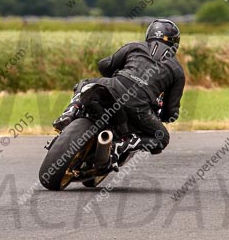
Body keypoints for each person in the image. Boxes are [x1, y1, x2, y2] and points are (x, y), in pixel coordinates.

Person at [52, 19, 185, 159]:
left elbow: (105, 65)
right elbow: (171, 112)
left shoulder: (135, 46)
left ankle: (69, 113)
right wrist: (163, 115)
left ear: (150, 34)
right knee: (162, 137)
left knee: (85, 84)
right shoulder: (178, 71)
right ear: (175, 43)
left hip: (114, 85)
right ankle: (122, 146)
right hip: (139, 107)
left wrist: (118, 72)